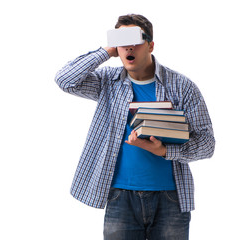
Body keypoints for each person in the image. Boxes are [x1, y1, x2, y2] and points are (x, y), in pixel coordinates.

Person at [55, 14, 215, 240]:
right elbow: (65, 80)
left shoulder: (182, 86)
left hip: (171, 198)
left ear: (150, 45)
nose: (129, 47)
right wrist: (107, 50)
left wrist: (164, 150)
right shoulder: (106, 82)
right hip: (120, 197)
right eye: (122, 41)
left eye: (136, 40)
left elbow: (207, 144)